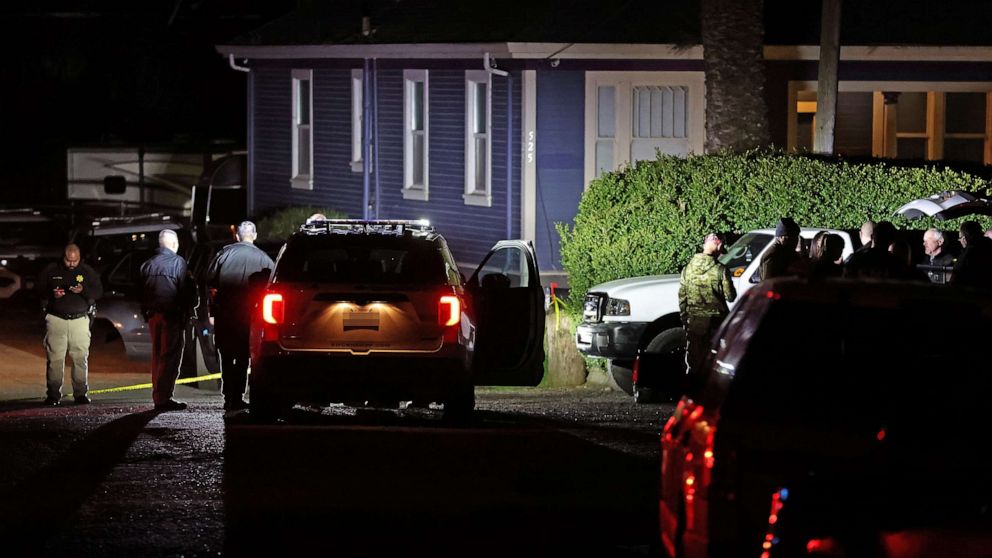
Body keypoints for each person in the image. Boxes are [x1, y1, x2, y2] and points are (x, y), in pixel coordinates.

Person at [206, 221, 275, 411]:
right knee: (244, 357)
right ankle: (238, 395)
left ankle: (229, 395)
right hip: (249, 317)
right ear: (254, 235)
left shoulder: (224, 254)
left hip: (225, 315)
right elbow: (272, 287)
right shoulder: (264, 259)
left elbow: (210, 283)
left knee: (226, 356)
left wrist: (212, 311)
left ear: (237, 236)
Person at [140, 230, 198, 411]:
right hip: (172, 317)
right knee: (170, 355)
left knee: (157, 355)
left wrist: (146, 312)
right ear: (174, 244)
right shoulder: (178, 263)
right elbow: (187, 292)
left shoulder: (147, 264)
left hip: (152, 316)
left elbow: (140, 292)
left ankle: (158, 394)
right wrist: (188, 310)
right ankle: (163, 397)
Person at [37, 244, 103, 406]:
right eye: (68, 260)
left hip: (79, 320)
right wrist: (52, 295)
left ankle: (80, 394)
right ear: (63, 257)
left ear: (79, 258)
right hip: (56, 319)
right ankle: (53, 395)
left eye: (75, 260)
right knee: (55, 359)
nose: (72, 264)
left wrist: (83, 290)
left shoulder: (87, 272)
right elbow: (37, 290)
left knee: (80, 358)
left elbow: (98, 292)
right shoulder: (51, 270)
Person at [679, 233, 737, 382]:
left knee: (694, 363)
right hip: (716, 324)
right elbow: (731, 296)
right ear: (718, 245)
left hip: (694, 322)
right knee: (715, 363)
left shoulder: (687, 268)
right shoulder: (721, 270)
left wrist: (686, 320)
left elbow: (682, 298)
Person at [950, 221, 992, 289]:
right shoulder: (989, 246)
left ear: (964, 239)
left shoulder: (968, 254)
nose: (960, 241)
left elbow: (955, 279)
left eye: (960, 238)